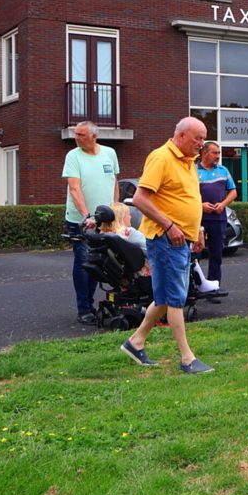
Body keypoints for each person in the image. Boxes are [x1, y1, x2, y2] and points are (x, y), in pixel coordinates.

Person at [120, 117, 213, 373]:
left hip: (182, 238)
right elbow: (139, 198)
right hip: (165, 238)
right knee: (175, 298)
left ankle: (135, 342)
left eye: (203, 138)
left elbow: (189, 199)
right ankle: (187, 358)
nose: (201, 144)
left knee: (164, 297)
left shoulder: (188, 162)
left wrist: (199, 229)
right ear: (181, 136)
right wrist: (170, 226)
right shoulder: (161, 158)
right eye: (197, 138)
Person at [63, 121, 120, 325]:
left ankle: (92, 304)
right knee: (83, 262)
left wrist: (115, 209)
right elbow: (74, 189)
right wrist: (86, 215)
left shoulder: (109, 153)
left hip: (104, 220)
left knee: (99, 262)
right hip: (80, 220)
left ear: (94, 136)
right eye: (75, 134)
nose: (76, 138)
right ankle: (84, 308)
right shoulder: (73, 156)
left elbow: (114, 183)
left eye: (81, 135)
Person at [197, 141, 237, 298]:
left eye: (219, 153)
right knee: (196, 255)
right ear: (204, 153)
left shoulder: (223, 170)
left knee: (216, 254)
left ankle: (213, 288)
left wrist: (223, 204)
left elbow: (233, 192)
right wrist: (200, 205)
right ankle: (196, 287)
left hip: (218, 218)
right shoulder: (193, 171)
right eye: (215, 153)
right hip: (198, 219)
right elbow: (185, 195)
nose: (218, 156)